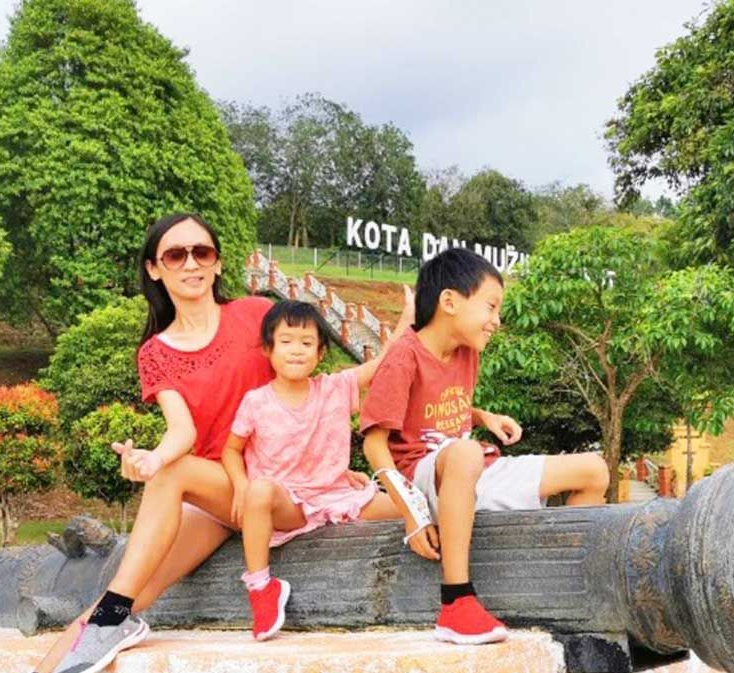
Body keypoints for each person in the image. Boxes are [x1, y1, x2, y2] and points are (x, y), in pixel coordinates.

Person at [0, 212, 278, 673]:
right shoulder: (156, 352)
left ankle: (107, 626)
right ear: (155, 269)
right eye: (176, 255)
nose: (192, 263)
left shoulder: (257, 316)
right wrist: (150, 460)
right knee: (121, 592)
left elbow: (313, 386)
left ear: (218, 262)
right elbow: (182, 430)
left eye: (203, 252)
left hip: (272, 484)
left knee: (122, 596)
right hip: (221, 494)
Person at [360, 247, 610, 645]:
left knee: (594, 469)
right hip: (426, 477)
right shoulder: (403, 358)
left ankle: (562, 589)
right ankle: (455, 601)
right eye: (491, 307)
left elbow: (432, 407)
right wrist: (411, 514)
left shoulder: (466, 352)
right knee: (466, 452)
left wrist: (483, 417)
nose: (497, 321)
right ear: (449, 302)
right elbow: (374, 444)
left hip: (472, 466)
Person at [221, 298, 411, 641]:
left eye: (307, 343)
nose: (296, 351)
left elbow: (383, 364)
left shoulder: (334, 388)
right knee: (260, 489)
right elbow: (232, 450)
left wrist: (406, 321)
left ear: (320, 352)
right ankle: (262, 588)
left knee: (413, 508)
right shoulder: (256, 401)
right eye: (286, 341)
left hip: (338, 495)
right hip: (289, 504)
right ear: (268, 349)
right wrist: (239, 484)